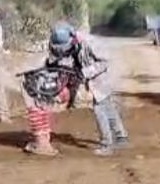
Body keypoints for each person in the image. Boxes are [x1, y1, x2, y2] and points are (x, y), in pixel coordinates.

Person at [47, 22, 129, 156]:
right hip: (89, 77)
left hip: (100, 77)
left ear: (73, 38)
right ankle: (121, 137)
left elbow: (104, 62)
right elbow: (63, 58)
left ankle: (106, 144)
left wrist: (85, 72)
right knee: (108, 107)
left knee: (99, 109)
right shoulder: (69, 43)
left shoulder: (91, 43)